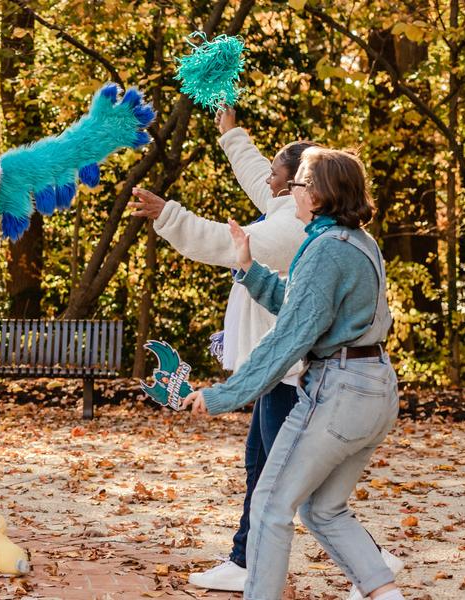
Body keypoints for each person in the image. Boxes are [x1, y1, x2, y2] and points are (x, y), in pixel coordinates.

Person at [182, 148, 405, 600]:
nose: (292, 192)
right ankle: (386, 595)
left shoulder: (326, 249)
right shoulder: (358, 242)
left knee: (269, 505)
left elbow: (288, 339)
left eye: (299, 184)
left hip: (339, 392)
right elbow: (304, 304)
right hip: (375, 388)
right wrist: (248, 268)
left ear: (319, 193)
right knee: (324, 511)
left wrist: (225, 394)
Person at [131, 109, 314, 591]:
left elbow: (226, 242)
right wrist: (230, 131)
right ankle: (243, 560)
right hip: (276, 370)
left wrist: (166, 213)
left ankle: (370, 563)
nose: (267, 175)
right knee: (263, 467)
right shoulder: (285, 208)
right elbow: (255, 171)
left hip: (288, 373)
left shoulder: (292, 228)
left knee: (290, 482)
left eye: (277, 170)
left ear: (295, 183)